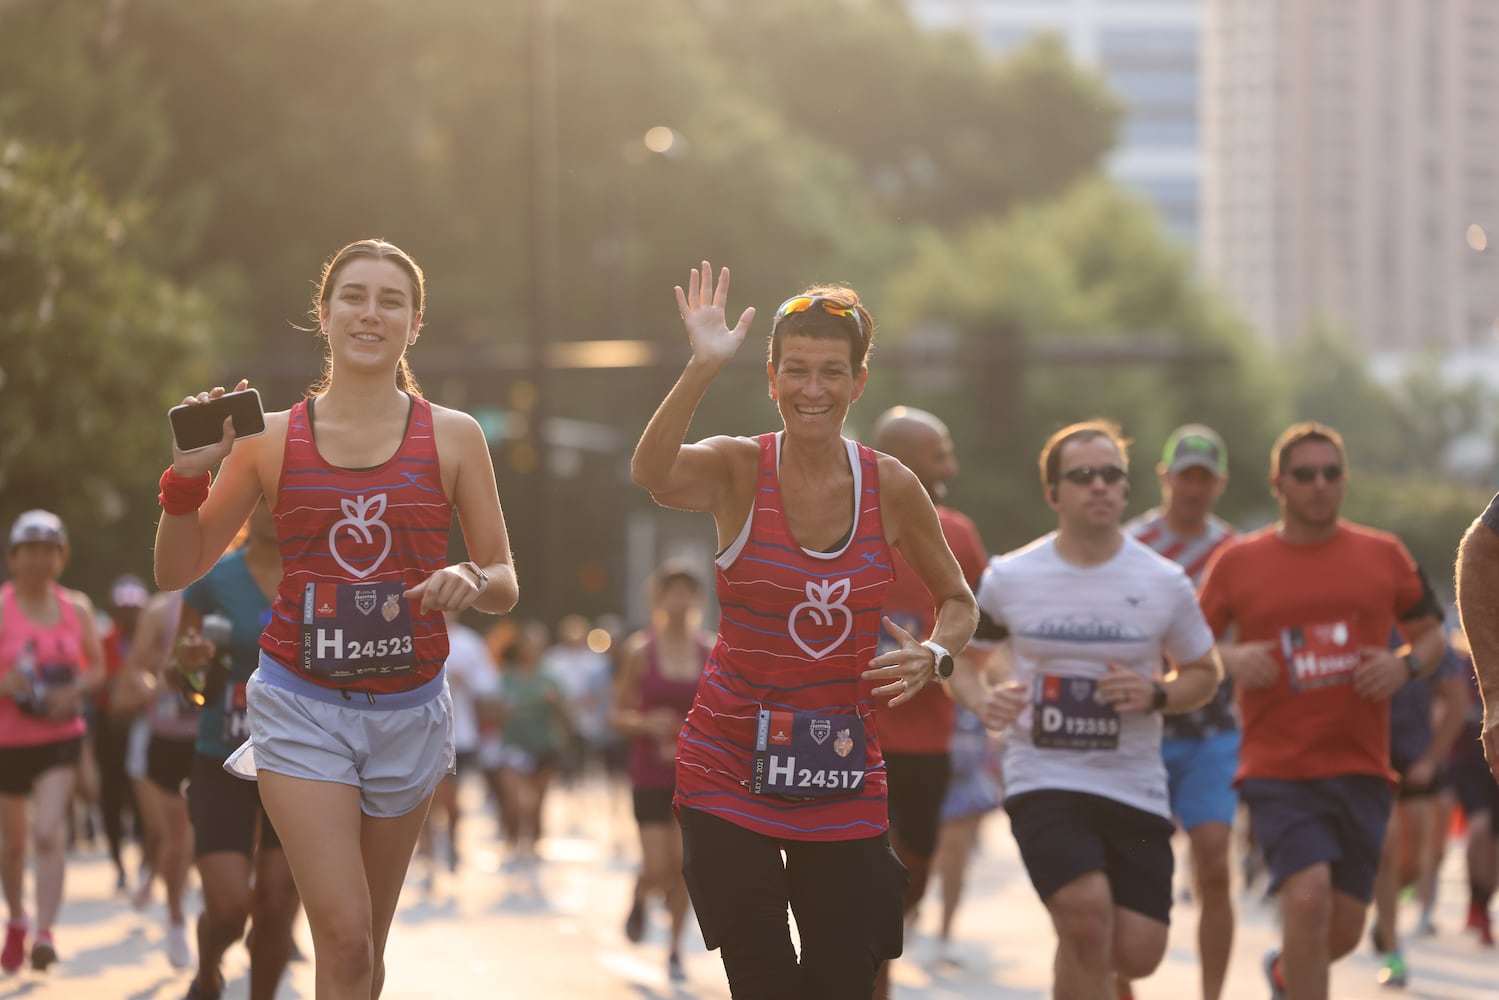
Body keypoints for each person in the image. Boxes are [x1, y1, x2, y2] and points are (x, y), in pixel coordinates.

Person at [153, 238, 518, 1000]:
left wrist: (467, 576)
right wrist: (186, 483)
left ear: (414, 325)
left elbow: (506, 579)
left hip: (410, 711)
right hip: (300, 706)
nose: (370, 313)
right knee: (343, 938)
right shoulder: (269, 437)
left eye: (392, 301)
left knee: (365, 957)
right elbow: (176, 571)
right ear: (324, 314)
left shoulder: (454, 435)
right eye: (354, 295)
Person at [631, 262, 978, 998]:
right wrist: (699, 367)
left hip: (840, 771)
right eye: (795, 371)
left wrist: (936, 658)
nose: (811, 389)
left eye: (830, 372)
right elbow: (654, 474)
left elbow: (958, 600)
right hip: (727, 765)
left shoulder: (890, 485)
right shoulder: (735, 467)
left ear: (857, 383)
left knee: (841, 981)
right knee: (764, 981)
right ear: (770, 377)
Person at [959, 419, 1222, 1000]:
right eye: (1082, 476)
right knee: (1087, 917)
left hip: (1133, 783)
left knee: (1136, 952)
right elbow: (964, 662)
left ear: (1127, 490)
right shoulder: (1010, 578)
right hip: (1043, 777)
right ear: (1054, 493)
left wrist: (1156, 693)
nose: (1099, 486)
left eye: (1111, 475)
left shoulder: (1164, 583)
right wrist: (985, 702)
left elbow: (1204, 674)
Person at [1196, 421, 1445, 1000]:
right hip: (1277, 767)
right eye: (1304, 474)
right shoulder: (1238, 562)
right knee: (1305, 900)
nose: (1319, 485)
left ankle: (1285, 972)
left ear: (1344, 480)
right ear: (1279, 483)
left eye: (1331, 473)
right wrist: (1230, 657)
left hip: (1360, 766)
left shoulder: (1384, 554)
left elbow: (1430, 637)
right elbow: (1185, 645)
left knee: (1343, 930)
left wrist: (1403, 665)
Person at [866, 406, 987, 1000]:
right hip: (850, 736)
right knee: (867, 878)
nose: (953, 465)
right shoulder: (842, 523)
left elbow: (980, 628)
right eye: (940, 453)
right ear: (907, 462)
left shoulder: (958, 535)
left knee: (911, 873)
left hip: (927, 740)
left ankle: (870, 945)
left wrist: (980, 691)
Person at [1123, 423, 1237, 1000]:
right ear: (1165, 476)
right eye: (1184, 476)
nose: (1193, 489)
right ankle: (1121, 984)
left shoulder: (1235, 551)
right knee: (1129, 867)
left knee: (1214, 863)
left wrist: (1228, 656)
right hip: (1137, 728)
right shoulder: (1129, 543)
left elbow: (1256, 637)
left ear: (1219, 484)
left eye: (1205, 479)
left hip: (1212, 729)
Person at [175, 498, 300, 1000]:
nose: (277, 509)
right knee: (229, 908)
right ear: (251, 509)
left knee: (274, 908)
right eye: (266, 499)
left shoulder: (319, 574)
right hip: (221, 753)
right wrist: (189, 664)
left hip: (299, 757)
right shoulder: (213, 580)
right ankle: (208, 975)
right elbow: (179, 676)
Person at [0, 510, 105, 973]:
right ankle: (18, 920)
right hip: (8, 739)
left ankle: (44, 932)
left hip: (60, 736)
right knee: (13, 844)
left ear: (61, 557)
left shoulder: (75, 608)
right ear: (13, 558)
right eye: (31, 551)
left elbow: (99, 667)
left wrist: (77, 691)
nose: (41, 561)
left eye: (50, 551)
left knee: (46, 831)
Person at [612, 560, 712, 982]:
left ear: (697, 600)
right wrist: (645, 722)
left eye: (687, 591)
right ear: (659, 599)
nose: (679, 599)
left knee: (685, 866)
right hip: (650, 773)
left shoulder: (711, 650)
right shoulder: (640, 650)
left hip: (697, 774)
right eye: (672, 591)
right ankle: (640, 892)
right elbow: (616, 714)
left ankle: (673, 948)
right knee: (658, 867)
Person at [1370, 618, 1467, 987]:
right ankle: (1394, 952)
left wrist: (1430, 760)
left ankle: (1385, 914)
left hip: (1415, 758)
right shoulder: (1361, 620)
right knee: (1386, 851)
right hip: (1370, 757)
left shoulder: (1425, 631)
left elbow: (1456, 699)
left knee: (1412, 863)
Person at [115, 587, 199, 969]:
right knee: (178, 836)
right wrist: (155, 687)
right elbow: (133, 671)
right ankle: (177, 920)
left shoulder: (235, 592)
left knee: (211, 840)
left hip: (218, 736)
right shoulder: (160, 610)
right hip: (168, 739)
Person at [493, 621, 568, 876]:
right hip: (514, 744)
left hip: (544, 746)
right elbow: (493, 711)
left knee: (537, 802)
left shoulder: (551, 678)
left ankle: (533, 843)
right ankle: (513, 837)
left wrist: (555, 703)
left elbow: (568, 716)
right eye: (528, 644)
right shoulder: (507, 676)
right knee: (516, 801)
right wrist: (501, 712)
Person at [94, 576, 151, 893]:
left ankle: (145, 857)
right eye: (124, 609)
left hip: (142, 725)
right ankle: (118, 862)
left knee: (142, 795)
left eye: (135, 609)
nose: (129, 615)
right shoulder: (105, 641)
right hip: (110, 729)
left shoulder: (150, 637)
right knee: (111, 796)